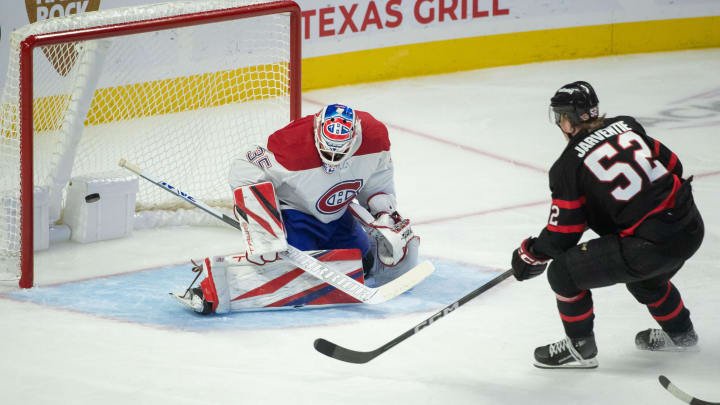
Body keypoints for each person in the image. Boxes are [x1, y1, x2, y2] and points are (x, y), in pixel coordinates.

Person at [510, 81, 704, 369]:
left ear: (565, 120)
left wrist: (531, 253)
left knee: (563, 273)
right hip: (689, 227)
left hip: (648, 246)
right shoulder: (626, 126)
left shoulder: (567, 166)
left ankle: (580, 347)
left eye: (558, 116)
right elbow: (673, 165)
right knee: (647, 281)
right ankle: (682, 335)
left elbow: (563, 235)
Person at [177, 104, 419, 314]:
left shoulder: (374, 137)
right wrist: (263, 227)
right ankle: (209, 289)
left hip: (337, 214)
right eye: (326, 150)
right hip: (295, 213)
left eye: (339, 151)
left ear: (355, 137)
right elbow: (243, 168)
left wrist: (382, 212)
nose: (331, 159)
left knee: (362, 262)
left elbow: (378, 177)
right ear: (316, 133)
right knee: (289, 271)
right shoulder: (290, 145)